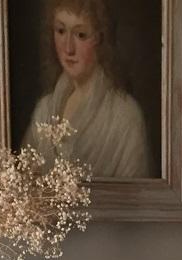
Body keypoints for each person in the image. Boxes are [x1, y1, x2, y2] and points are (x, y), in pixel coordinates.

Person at [23, 0, 152, 179]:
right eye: (60, 31)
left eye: (81, 35)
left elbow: (139, 201)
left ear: (100, 39)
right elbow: (23, 188)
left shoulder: (125, 116)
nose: (68, 48)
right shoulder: (44, 111)